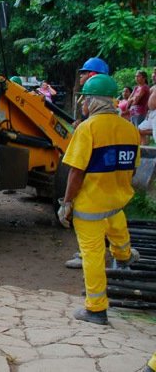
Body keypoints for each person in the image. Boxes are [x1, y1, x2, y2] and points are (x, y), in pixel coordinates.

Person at [58, 74, 140, 326]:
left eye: (85, 98)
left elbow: (76, 171)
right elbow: (133, 168)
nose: (83, 103)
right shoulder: (130, 129)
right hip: (115, 200)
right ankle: (124, 255)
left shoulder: (87, 129)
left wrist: (67, 203)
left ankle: (96, 309)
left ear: (93, 101)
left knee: (92, 254)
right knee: (118, 227)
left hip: (90, 205)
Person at [137, 68, 156, 145]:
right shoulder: (153, 87)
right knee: (140, 129)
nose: (153, 75)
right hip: (151, 113)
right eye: (153, 73)